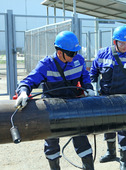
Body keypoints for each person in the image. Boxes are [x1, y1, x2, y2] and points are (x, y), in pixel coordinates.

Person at [15, 31, 95, 170]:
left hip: (73, 105)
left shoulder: (78, 60)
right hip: (51, 109)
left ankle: (88, 166)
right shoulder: (46, 64)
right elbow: (28, 81)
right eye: (71, 53)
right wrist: (23, 92)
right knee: (51, 143)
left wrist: (88, 88)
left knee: (82, 139)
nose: (74, 56)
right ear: (59, 52)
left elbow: (85, 77)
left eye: (76, 52)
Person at [90, 26, 126, 170]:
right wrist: (91, 88)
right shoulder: (102, 54)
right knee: (108, 125)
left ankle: (124, 160)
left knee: (123, 129)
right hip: (106, 97)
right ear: (115, 41)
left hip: (125, 98)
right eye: (122, 43)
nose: (125, 46)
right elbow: (93, 72)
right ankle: (110, 152)